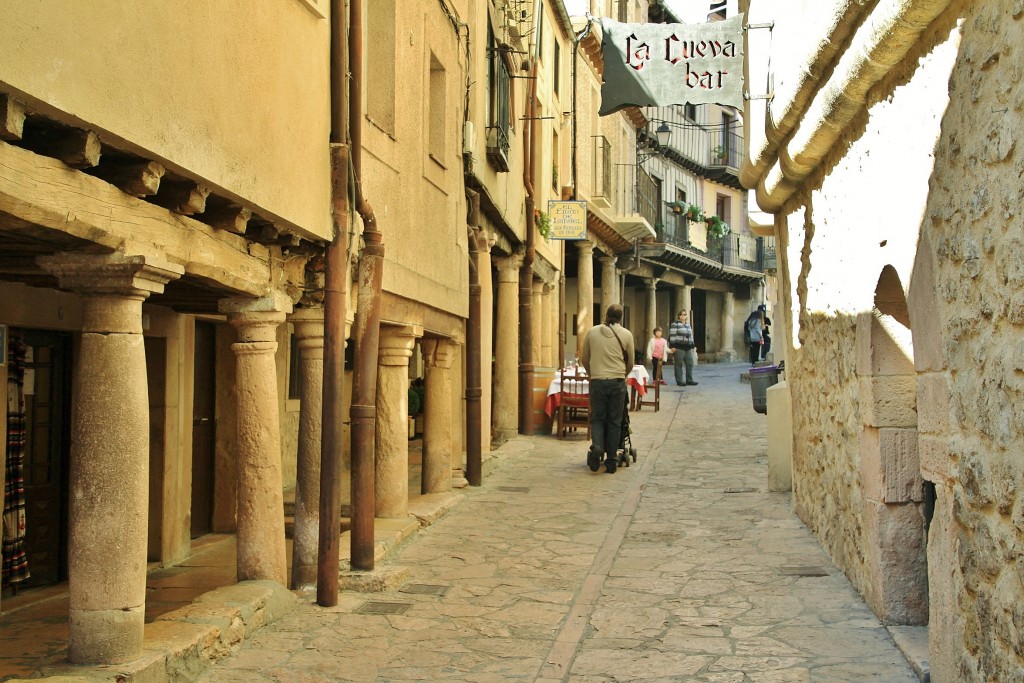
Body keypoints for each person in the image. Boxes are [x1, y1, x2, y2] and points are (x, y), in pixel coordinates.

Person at [580, 304, 635, 474]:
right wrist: (622, 375)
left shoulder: (592, 332)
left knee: (597, 418)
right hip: (617, 381)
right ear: (621, 318)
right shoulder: (626, 335)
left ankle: (597, 446)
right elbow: (630, 362)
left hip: (597, 381)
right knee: (614, 421)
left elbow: (585, 358)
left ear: (606, 315)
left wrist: (593, 374)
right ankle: (611, 460)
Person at [667, 310, 698, 387]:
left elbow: (691, 336)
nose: (683, 316)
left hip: (688, 347)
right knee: (679, 364)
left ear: (686, 316)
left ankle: (689, 380)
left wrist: (693, 345)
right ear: (679, 316)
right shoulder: (675, 324)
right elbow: (672, 336)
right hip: (679, 346)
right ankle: (680, 380)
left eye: (684, 315)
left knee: (690, 363)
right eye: (681, 315)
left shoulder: (688, 325)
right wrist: (672, 346)